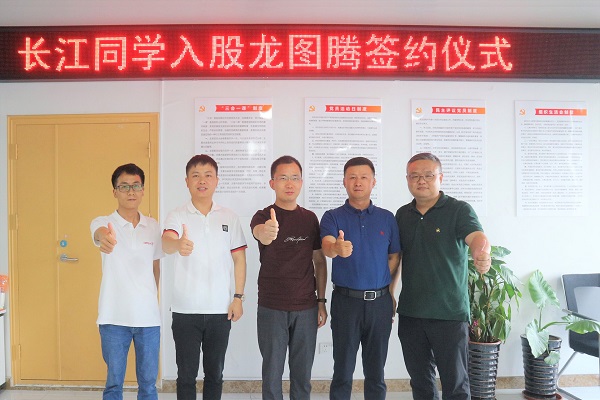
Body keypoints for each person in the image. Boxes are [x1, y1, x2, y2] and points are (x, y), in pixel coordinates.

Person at [394, 152, 491, 400]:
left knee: (455, 383)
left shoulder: (458, 210)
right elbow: (396, 257)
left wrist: (481, 253)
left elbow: (476, 237)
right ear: (407, 179)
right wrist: (390, 293)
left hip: (448, 313)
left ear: (440, 177)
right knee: (420, 382)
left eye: (428, 175)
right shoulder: (402, 215)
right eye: (414, 175)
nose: (421, 180)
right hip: (412, 312)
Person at [162, 154, 247, 400]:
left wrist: (238, 297)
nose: (202, 181)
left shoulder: (229, 217)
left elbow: (239, 260)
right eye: (196, 175)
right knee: (186, 376)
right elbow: (166, 242)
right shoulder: (177, 215)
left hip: (220, 310)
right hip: (185, 310)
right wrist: (178, 244)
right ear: (187, 181)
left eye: (208, 175)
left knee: (215, 374)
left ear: (216, 180)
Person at [320, 156, 401, 400]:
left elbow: (394, 257)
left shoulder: (387, 218)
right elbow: (327, 246)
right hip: (346, 303)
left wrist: (390, 292)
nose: (358, 182)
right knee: (342, 371)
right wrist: (337, 248)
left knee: (376, 373)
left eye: (364, 177)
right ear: (344, 181)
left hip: (380, 303)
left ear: (373, 182)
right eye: (352, 177)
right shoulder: (332, 216)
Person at [250, 155, 328, 400]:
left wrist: (321, 301)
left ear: (301, 182)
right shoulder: (263, 216)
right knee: (272, 374)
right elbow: (260, 233)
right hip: (271, 307)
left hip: (306, 307)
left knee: (302, 376)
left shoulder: (309, 218)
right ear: (272, 183)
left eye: (295, 178)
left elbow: (319, 261)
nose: (289, 183)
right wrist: (267, 232)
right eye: (283, 178)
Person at [90, 163, 163, 400]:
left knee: (149, 385)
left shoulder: (152, 226)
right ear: (115, 191)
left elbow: (155, 266)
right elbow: (99, 233)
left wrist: (150, 297)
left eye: (136, 186)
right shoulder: (103, 222)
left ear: (143, 190)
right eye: (124, 186)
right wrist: (104, 238)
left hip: (148, 318)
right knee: (114, 384)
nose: (131, 191)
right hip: (113, 317)